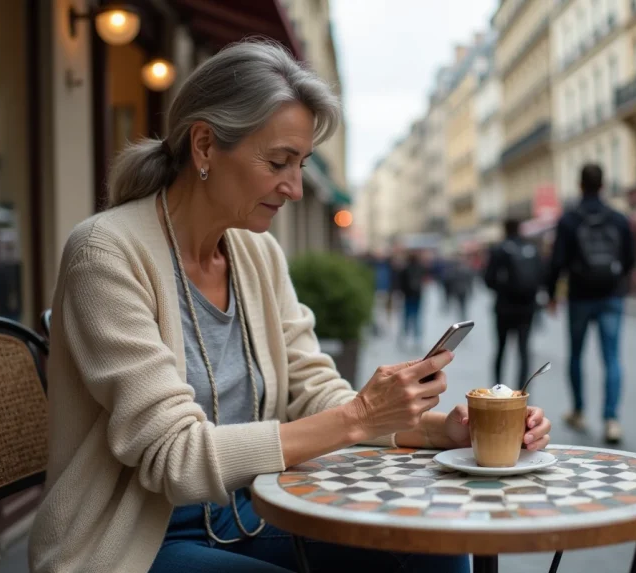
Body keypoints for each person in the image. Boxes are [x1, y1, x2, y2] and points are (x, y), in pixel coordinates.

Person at [27, 41, 554, 573]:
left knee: (433, 550)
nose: (297, 188)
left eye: (300, 164)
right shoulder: (106, 254)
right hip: (138, 541)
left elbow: (313, 393)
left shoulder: (255, 251)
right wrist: (359, 415)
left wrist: (443, 432)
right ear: (205, 146)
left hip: (257, 511)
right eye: (279, 162)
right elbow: (177, 459)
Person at [547, 163, 635, 444]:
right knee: (611, 357)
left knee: (576, 355)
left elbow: (556, 262)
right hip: (611, 294)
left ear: (580, 185)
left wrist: (551, 295)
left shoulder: (570, 219)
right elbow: (631, 258)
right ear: (603, 185)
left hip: (579, 296)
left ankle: (579, 410)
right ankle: (611, 419)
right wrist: (619, 281)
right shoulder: (618, 218)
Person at [484, 218, 543, 388]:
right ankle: (522, 388)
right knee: (524, 349)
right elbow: (541, 275)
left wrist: (503, 288)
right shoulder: (531, 249)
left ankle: (498, 387)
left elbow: (488, 279)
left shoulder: (499, 249)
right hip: (527, 307)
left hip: (504, 307)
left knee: (501, 348)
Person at [396, 251, 427, 350]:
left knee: (406, 317)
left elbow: (400, 283)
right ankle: (417, 339)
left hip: (408, 296)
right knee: (417, 317)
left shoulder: (405, 269)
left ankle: (404, 337)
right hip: (417, 296)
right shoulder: (420, 268)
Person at [449, 254, 475, 322]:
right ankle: (462, 314)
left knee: (461, 304)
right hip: (461, 290)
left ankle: (462, 314)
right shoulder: (465, 270)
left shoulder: (455, 271)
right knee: (462, 304)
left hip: (460, 290)